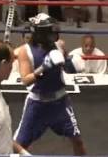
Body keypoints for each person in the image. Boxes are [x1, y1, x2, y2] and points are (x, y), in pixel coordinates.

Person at [14, 13, 86, 155]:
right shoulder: (25, 51)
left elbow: (65, 66)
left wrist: (73, 64)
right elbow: (25, 80)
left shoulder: (59, 45)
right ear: (40, 33)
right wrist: (43, 68)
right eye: (50, 31)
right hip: (37, 104)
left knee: (77, 140)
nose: (54, 34)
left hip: (60, 102)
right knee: (18, 145)